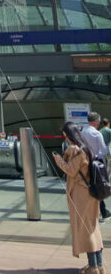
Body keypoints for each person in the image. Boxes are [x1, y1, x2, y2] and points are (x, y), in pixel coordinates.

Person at [53, 121, 104, 274]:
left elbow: (71, 171)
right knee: (93, 227)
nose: (65, 138)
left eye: (65, 136)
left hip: (82, 194)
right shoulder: (86, 147)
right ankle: (98, 264)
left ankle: (93, 266)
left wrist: (59, 161)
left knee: (85, 229)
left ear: (69, 135)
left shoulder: (76, 150)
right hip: (91, 192)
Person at [83, 112, 111, 221]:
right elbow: (104, 150)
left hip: (84, 161)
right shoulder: (96, 133)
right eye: (98, 121)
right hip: (96, 163)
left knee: (88, 186)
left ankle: (101, 211)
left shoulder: (82, 131)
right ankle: (102, 212)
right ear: (96, 121)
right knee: (98, 185)